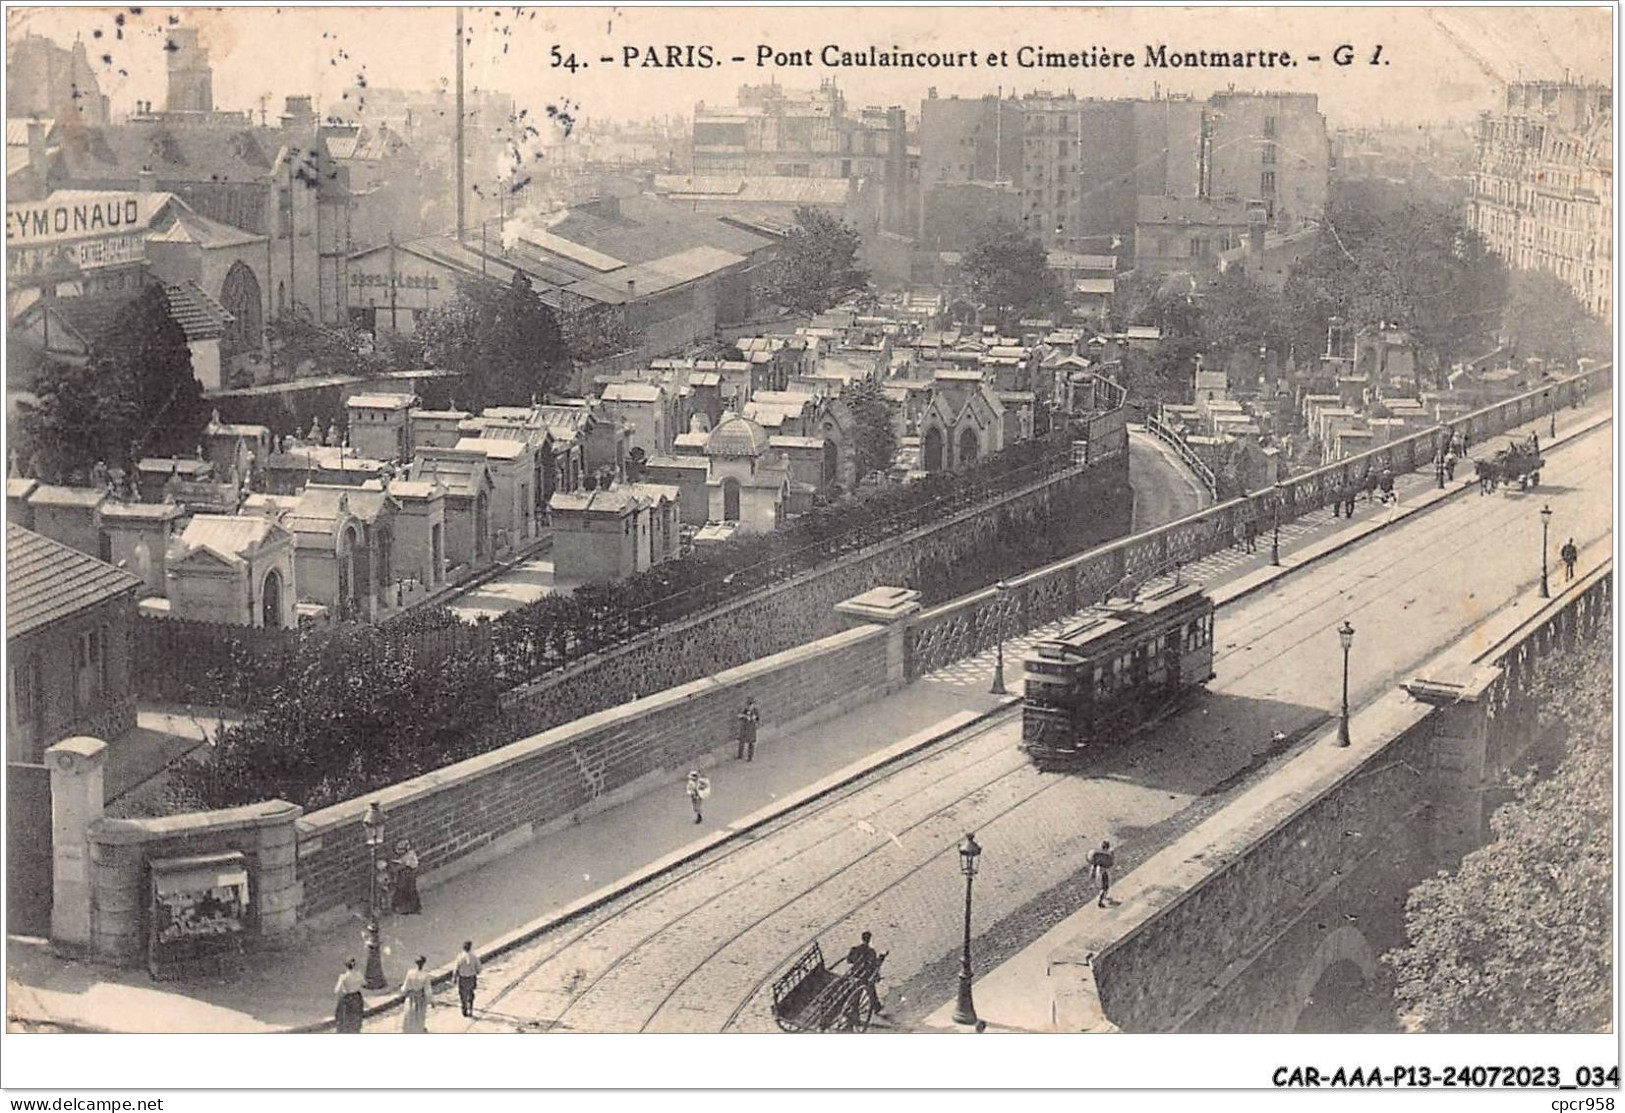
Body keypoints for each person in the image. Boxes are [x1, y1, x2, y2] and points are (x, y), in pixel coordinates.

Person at [845, 931, 886, 1016]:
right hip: (865, 976)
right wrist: (881, 958)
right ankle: (876, 1007)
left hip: (855, 975)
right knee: (871, 991)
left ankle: (854, 1012)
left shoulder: (855, 949)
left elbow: (849, 960)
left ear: (862, 938)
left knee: (856, 995)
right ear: (869, 940)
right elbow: (874, 965)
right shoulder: (871, 951)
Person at [333, 958, 365, 1032]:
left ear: (346, 966)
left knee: (344, 1017)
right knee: (356, 1016)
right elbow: (364, 983)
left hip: (346, 998)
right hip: (356, 997)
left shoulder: (343, 977)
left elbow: (336, 990)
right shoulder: (359, 975)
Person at [401, 956, 431, 1033]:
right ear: (423, 964)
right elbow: (427, 990)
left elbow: (406, 986)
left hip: (411, 996)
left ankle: (408, 1029)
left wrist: (403, 993)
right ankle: (419, 1029)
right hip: (420, 997)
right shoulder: (425, 975)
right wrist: (430, 1000)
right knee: (420, 1014)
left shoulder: (410, 973)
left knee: (409, 1012)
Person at [392, 839, 421, 915]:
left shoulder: (410, 855)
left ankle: (414, 907)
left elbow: (405, 864)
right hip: (406, 874)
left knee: (411, 889)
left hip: (410, 873)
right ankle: (408, 906)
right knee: (405, 889)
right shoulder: (406, 856)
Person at [455, 941, 481, 1018]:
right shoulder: (474, 957)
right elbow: (479, 968)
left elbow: (456, 968)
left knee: (462, 994)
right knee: (470, 993)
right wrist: (475, 972)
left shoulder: (460, 957)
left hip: (462, 978)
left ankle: (464, 1008)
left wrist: (454, 978)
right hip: (471, 978)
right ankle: (470, 1007)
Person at [1088, 840, 1116, 909]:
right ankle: (1100, 902)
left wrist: (1092, 874)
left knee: (1103, 887)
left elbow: (1093, 865)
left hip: (1098, 872)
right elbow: (1110, 862)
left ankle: (1104, 897)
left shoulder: (1098, 856)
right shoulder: (1106, 856)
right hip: (1103, 873)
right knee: (1104, 888)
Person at [736, 697, 760, 762]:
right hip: (744, 728)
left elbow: (757, 719)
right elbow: (739, 716)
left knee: (751, 743)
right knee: (741, 742)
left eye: (751, 705)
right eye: (748, 705)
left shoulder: (755, 711)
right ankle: (739, 756)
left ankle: (750, 757)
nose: (749, 706)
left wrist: (753, 718)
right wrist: (745, 716)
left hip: (751, 729)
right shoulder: (745, 710)